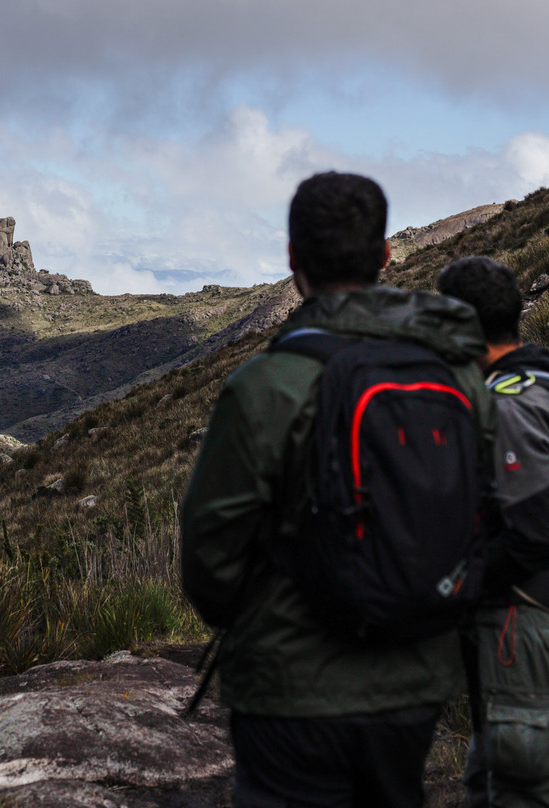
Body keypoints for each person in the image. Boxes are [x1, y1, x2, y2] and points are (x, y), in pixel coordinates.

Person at [181, 172, 495, 808]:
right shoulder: (460, 375)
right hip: (416, 680)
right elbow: (488, 511)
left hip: (289, 691)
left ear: (292, 256)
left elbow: (210, 562)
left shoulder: (266, 384)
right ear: (385, 255)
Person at [437, 256, 549, 808]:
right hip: (516, 624)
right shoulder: (539, 381)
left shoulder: (513, 403)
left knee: (526, 789)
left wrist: (455, 581)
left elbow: (534, 535)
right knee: (490, 779)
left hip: (519, 624)